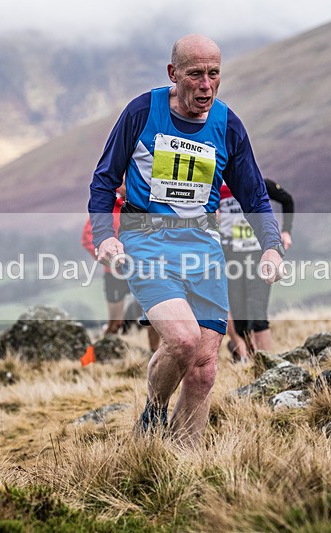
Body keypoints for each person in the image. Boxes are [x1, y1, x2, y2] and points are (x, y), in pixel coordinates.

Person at [88, 34, 284, 445]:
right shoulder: (142, 112)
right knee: (181, 339)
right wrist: (106, 237)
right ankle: (154, 413)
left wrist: (271, 245)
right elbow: (104, 181)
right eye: (195, 74)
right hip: (147, 242)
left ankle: (182, 466)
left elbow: (253, 194)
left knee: (205, 369)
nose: (206, 85)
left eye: (214, 74)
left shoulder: (227, 124)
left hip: (205, 248)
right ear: (173, 74)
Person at [219, 179, 294, 363]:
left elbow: (287, 200)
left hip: (259, 255)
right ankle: (247, 355)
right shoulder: (215, 187)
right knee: (239, 317)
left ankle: (269, 368)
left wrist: (286, 231)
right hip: (231, 257)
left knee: (257, 312)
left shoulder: (257, 182)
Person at [82, 187, 161, 351]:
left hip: (143, 269)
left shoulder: (147, 199)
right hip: (115, 273)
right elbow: (88, 237)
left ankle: (154, 354)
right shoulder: (108, 204)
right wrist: (108, 259)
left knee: (153, 316)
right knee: (115, 322)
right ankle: (105, 354)